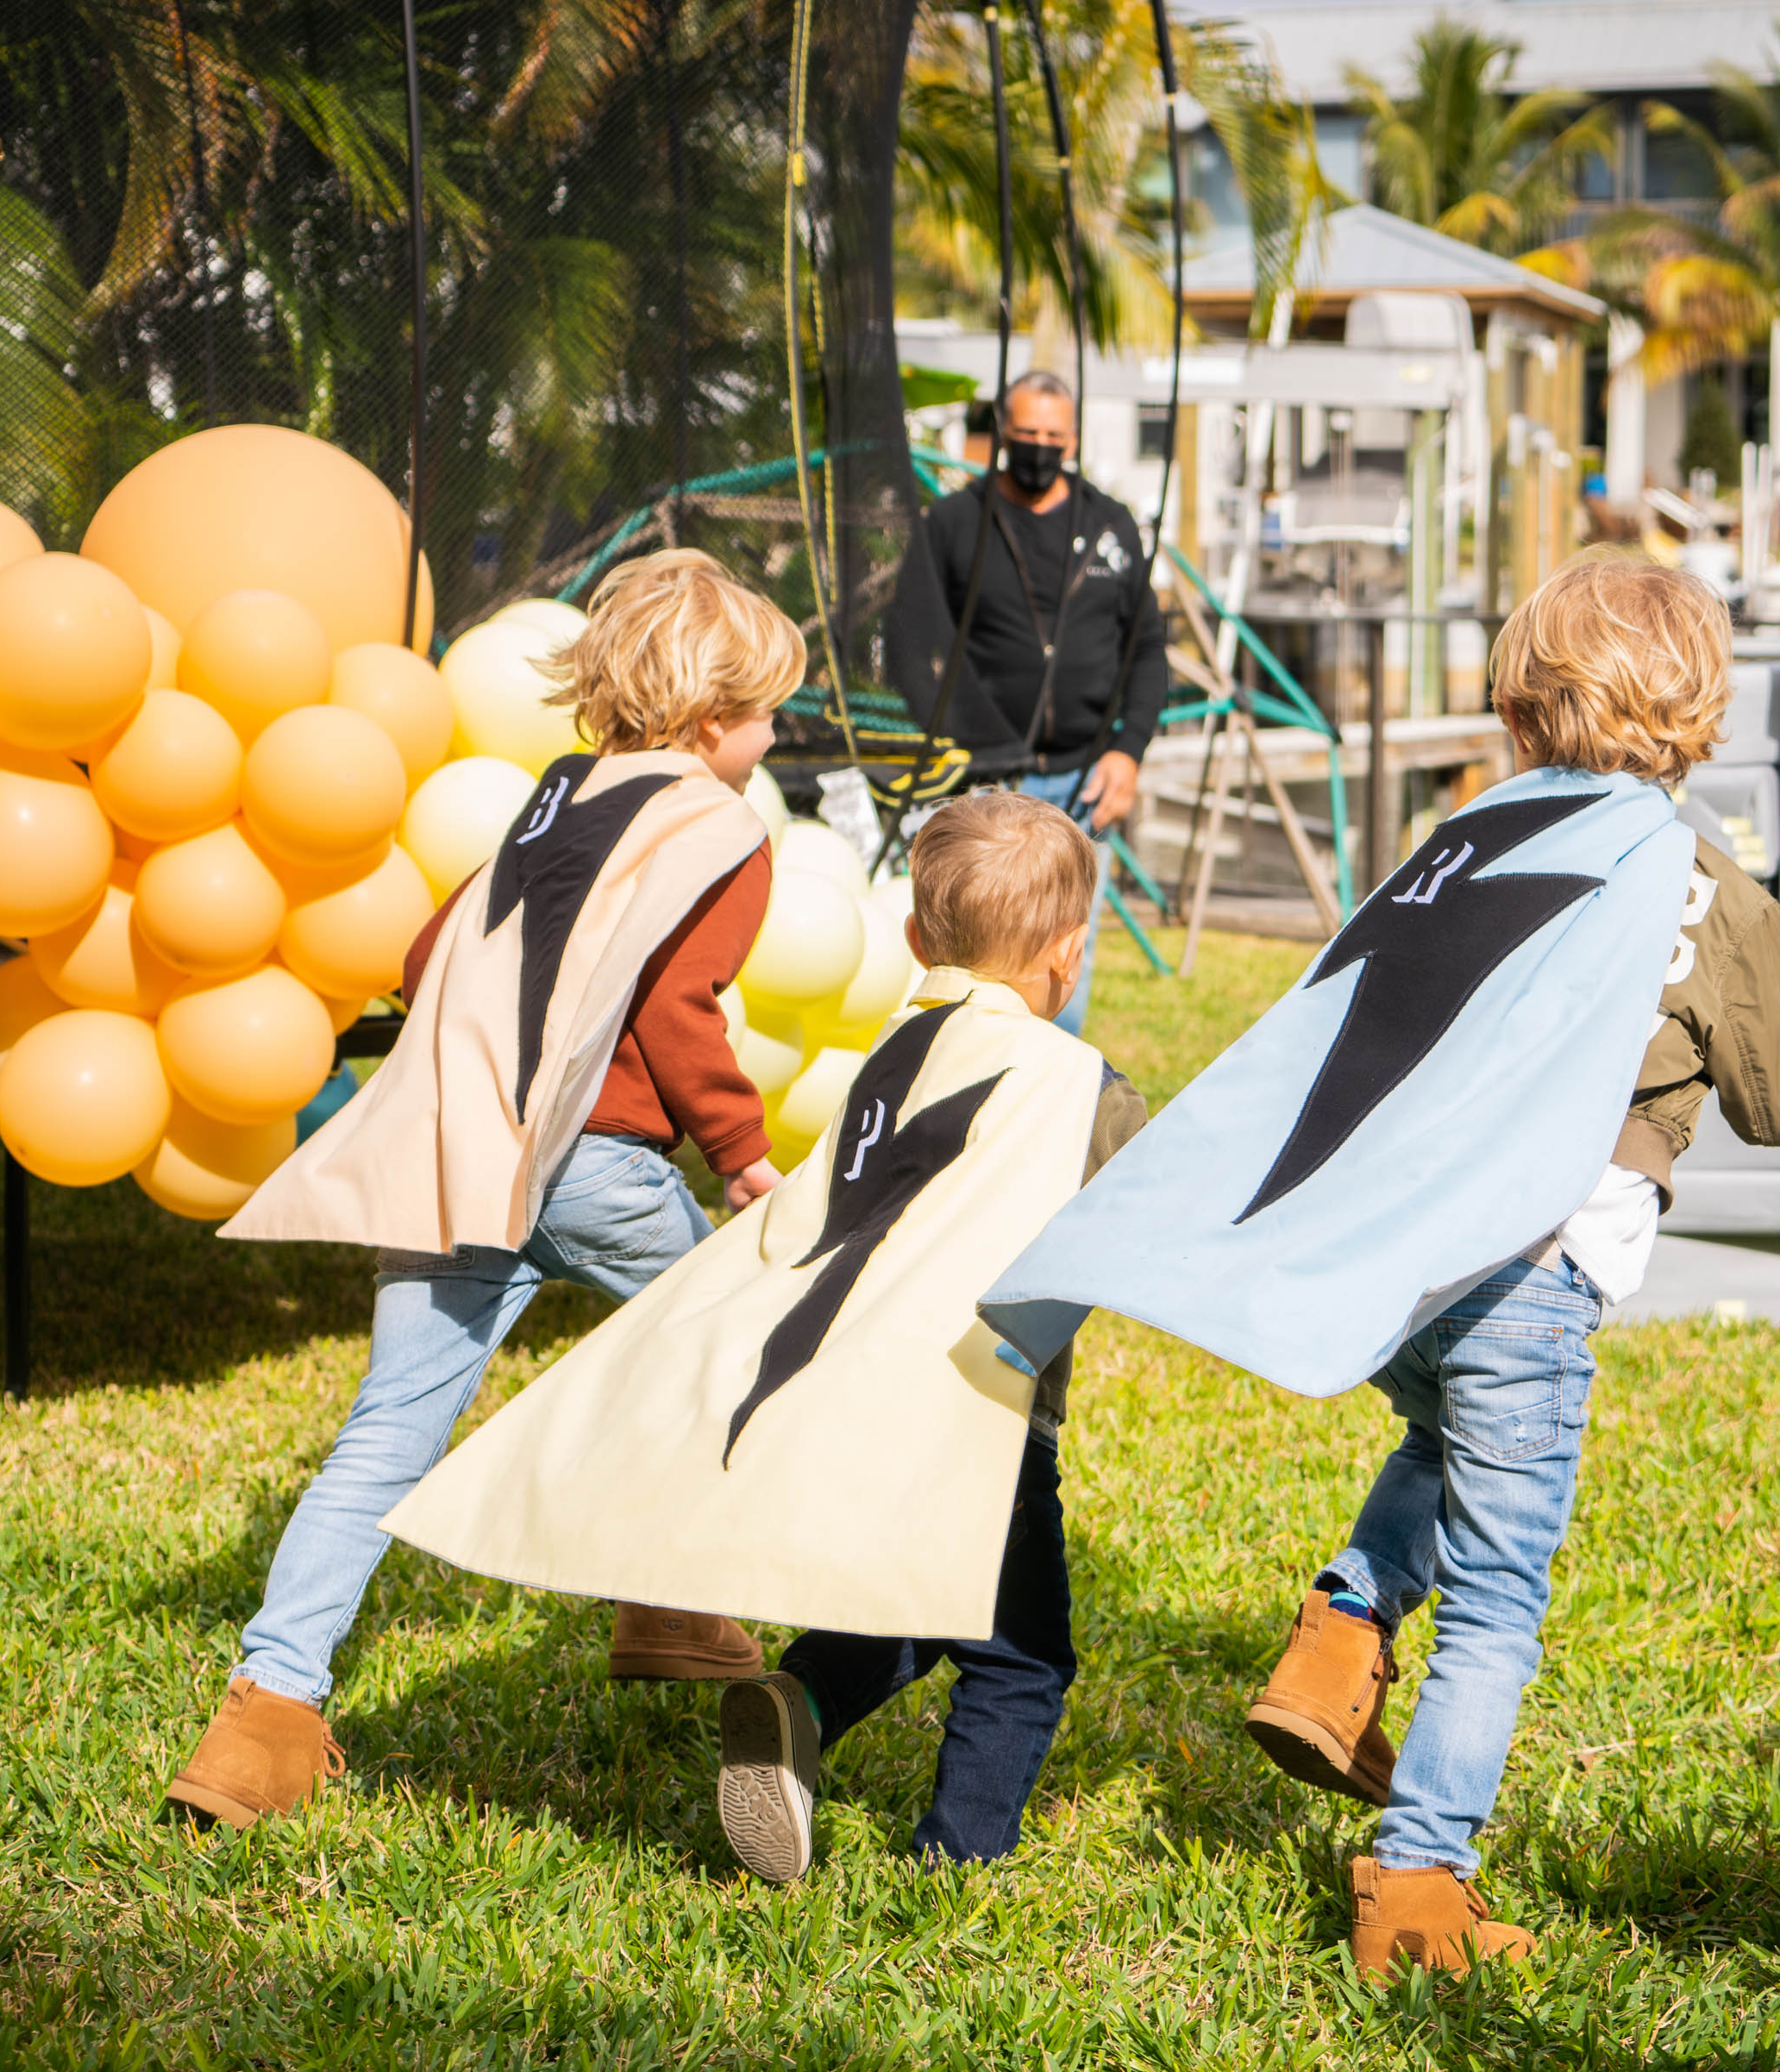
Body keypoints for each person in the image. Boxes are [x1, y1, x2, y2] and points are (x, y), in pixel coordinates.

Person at [979, 557, 1780, 1974]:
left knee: (1442, 1438)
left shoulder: (1461, 846)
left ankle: (1340, 1632)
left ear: (1515, 707)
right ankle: (1417, 1882)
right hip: (1531, 1273)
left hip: (1400, 1267)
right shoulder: (1699, 892)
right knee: (1499, 1598)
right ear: (1703, 710)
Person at [162, 550, 801, 1829]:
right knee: (735, 1344)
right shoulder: (723, 831)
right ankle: (666, 1597)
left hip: (465, 1161)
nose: (775, 738)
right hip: (600, 1165)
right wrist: (740, 1153)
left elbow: (426, 952)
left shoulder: (555, 799)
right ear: (709, 719)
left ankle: (263, 1717)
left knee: (384, 1433)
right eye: (767, 714)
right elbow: (679, 1010)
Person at [713, 792, 1146, 1878]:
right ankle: (955, 1863)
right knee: (1021, 1657)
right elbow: (1148, 1214)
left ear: (913, 937)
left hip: (852, 1386)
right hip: (981, 1411)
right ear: (1068, 953)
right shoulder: (1080, 1086)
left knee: (924, 1587)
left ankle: (804, 1694)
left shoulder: (889, 1056)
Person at [884, 369, 1167, 1035]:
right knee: (979, 947)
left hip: (1083, 777)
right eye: (1026, 433)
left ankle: (1051, 1071)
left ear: (1073, 440)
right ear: (1002, 433)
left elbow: (1149, 649)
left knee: (1064, 953)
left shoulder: (1110, 525)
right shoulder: (956, 522)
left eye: (1053, 436)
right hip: (986, 781)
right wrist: (955, 739)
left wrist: (1128, 752)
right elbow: (905, 643)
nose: (1040, 447)